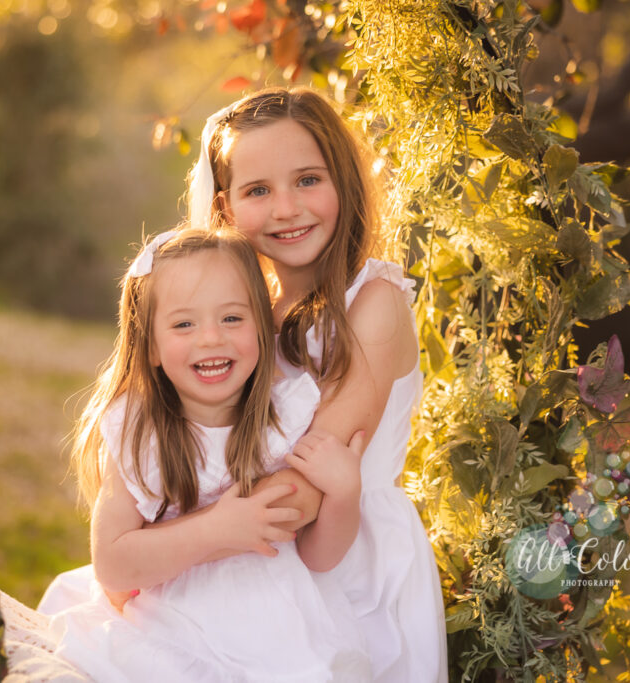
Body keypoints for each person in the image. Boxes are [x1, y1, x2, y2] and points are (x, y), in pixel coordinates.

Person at [184, 87, 448, 682]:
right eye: (258, 191)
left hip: (342, 566)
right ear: (225, 209)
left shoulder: (374, 303)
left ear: (344, 181)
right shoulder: (246, 315)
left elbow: (307, 486)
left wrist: (177, 541)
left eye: (307, 179)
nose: (286, 208)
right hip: (240, 539)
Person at [35, 227, 371, 681]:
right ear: (150, 345)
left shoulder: (286, 418)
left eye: (232, 319)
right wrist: (216, 529)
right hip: (172, 629)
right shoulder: (142, 434)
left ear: (261, 325)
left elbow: (319, 557)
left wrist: (344, 493)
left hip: (277, 632)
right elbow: (112, 563)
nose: (211, 338)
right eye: (184, 324)